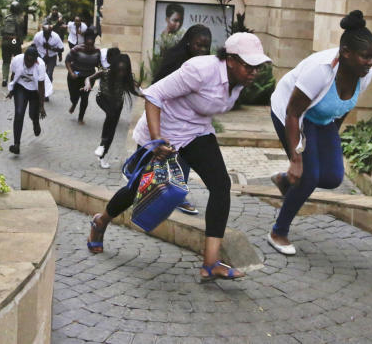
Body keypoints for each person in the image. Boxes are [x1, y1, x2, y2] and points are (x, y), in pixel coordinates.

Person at [86, 32, 271, 282]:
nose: (254, 72)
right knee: (139, 190)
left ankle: (210, 263)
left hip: (196, 132)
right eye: (249, 66)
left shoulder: (238, 82)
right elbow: (152, 96)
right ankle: (101, 220)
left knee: (221, 185)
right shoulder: (200, 70)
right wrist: (156, 139)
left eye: (257, 67)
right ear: (230, 59)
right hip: (164, 132)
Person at [266, 10, 372, 255]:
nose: (371, 63)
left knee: (333, 177)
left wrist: (331, 139)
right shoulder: (321, 70)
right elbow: (292, 113)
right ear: (346, 53)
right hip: (292, 113)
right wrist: (296, 161)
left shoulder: (364, 74)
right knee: (308, 176)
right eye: (365, 57)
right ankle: (278, 232)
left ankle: (284, 182)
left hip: (322, 119)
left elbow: (343, 106)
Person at [151, 24, 214, 215]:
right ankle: (165, 194)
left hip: (189, 121)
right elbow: (157, 90)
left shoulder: (206, 65)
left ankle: (176, 194)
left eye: (206, 46)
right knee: (172, 157)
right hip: (171, 118)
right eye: (198, 45)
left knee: (183, 158)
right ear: (188, 43)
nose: (202, 50)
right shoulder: (175, 61)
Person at [83, 48, 140, 168]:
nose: (121, 73)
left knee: (112, 128)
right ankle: (102, 143)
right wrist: (88, 85)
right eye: (119, 70)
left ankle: (103, 154)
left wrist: (145, 94)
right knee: (110, 115)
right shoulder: (105, 72)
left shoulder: (126, 76)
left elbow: (135, 88)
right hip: (102, 98)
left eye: (123, 70)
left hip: (117, 104)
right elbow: (89, 78)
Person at [5, 46, 50, 154]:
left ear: (35, 60)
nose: (28, 63)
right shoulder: (17, 60)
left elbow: (41, 87)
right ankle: (16, 145)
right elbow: (13, 75)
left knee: (32, 114)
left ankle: (35, 122)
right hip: (21, 87)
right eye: (27, 60)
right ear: (24, 57)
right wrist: (11, 90)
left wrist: (42, 106)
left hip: (35, 90)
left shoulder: (41, 65)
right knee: (19, 113)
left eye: (31, 61)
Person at [65, 28, 102, 123]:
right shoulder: (77, 49)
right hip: (75, 75)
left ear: (94, 42)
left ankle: (80, 118)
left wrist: (100, 71)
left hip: (88, 78)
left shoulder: (98, 52)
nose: (89, 47)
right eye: (87, 44)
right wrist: (71, 72)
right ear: (84, 42)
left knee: (85, 97)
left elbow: (100, 65)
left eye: (91, 44)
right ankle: (74, 102)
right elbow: (67, 61)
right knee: (74, 95)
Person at [0, 1, 25, 87]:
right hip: (14, 41)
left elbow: (1, 31)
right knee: (17, 60)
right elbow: (21, 33)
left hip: (5, 41)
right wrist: (20, 42)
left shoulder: (6, 18)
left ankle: (4, 78)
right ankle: (14, 77)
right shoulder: (20, 19)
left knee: (6, 61)